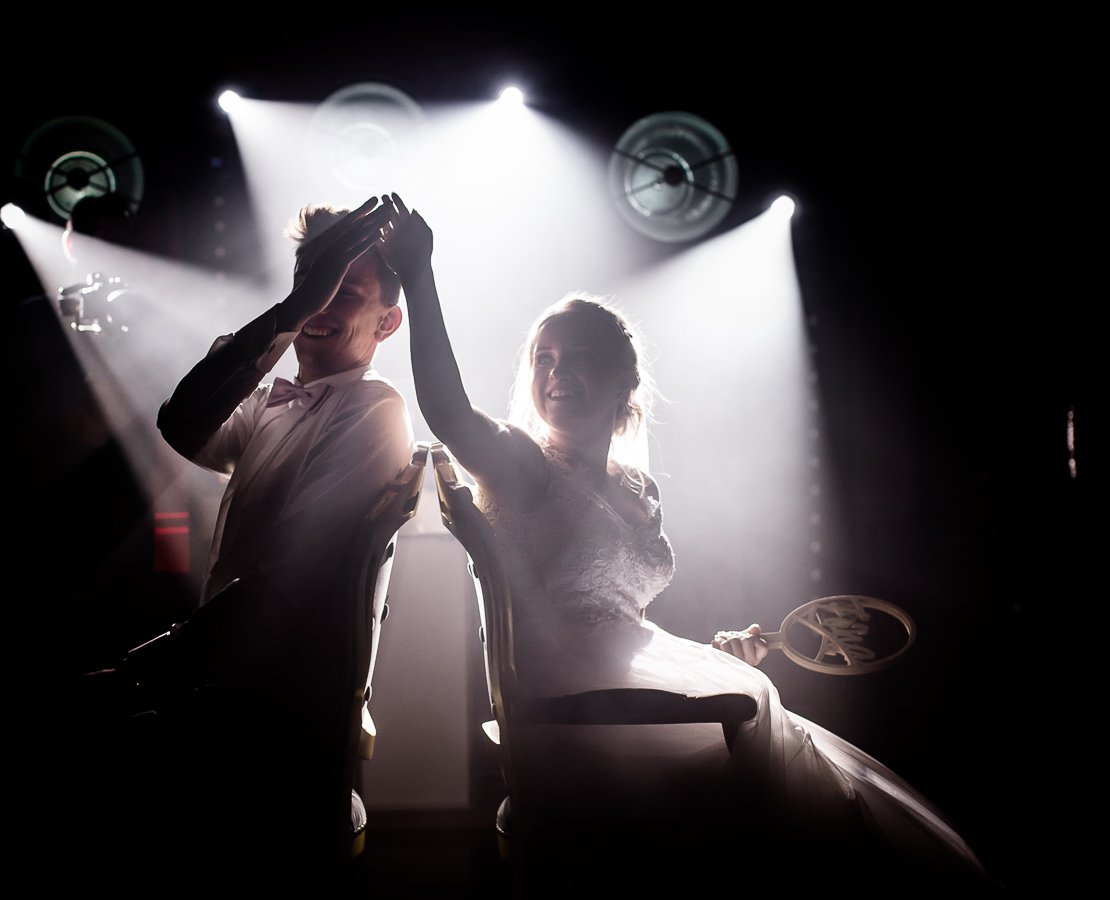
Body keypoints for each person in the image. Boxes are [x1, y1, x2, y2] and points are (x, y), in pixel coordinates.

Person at [379, 192, 999, 891]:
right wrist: (420, 275)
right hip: (567, 711)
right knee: (773, 738)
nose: (557, 376)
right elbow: (447, 408)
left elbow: (619, 624)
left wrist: (707, 657)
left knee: (786, 732)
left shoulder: (636, 486)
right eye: (545, 359)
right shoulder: (523, 465)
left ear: (624, 384)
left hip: (617, 684)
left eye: (579, 360)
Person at [145, 194, 414, 873]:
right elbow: (181, 422)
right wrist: (292, 310)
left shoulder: (375, 410)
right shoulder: (269, 401)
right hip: (231, 703)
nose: (320, 304)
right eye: (309, 281)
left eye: (343, 289)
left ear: (389, 322)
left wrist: (162, 662)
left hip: (280, 726)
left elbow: (286, 587)